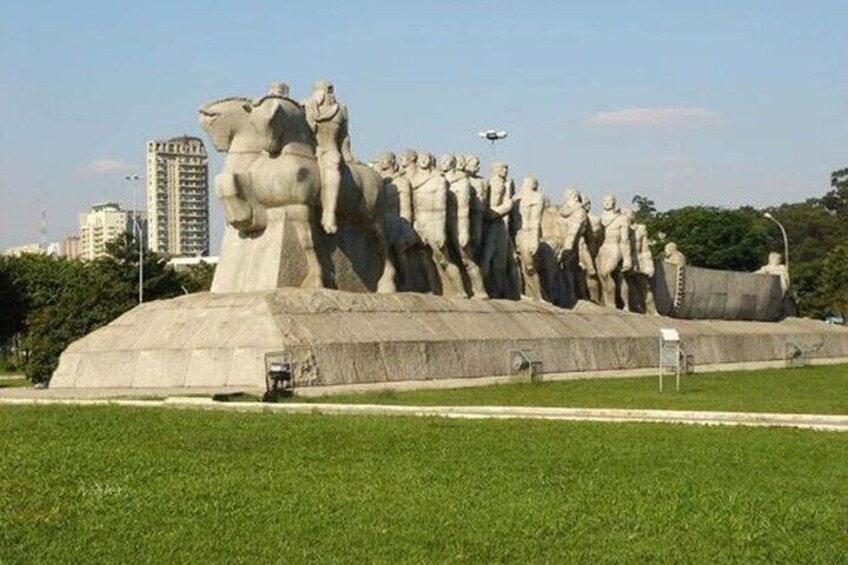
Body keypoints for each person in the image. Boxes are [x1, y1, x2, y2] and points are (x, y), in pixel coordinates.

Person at [304, 80, 353, 235]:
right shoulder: (306, 106)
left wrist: (347, 154)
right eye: (328, 90)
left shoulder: (341, 110)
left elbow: (344, 136)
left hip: (329, 149)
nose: (330, 93)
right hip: (309, 149)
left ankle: (329, 213)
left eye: (330, 90)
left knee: (333, 165)